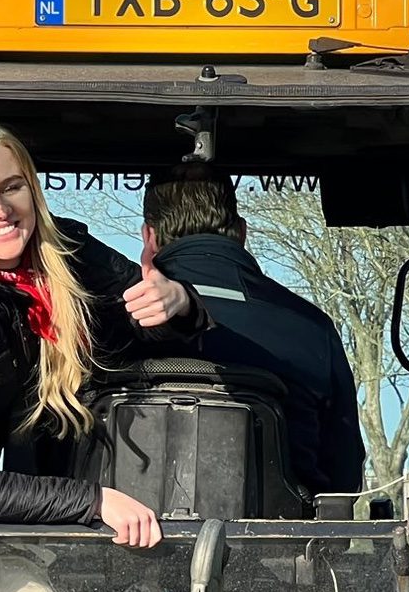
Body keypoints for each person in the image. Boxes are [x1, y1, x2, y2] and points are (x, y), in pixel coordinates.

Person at [0, 118, 208, 548]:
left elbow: (138, 333)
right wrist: (97, 501)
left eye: (11, 187)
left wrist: (178, 302)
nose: (0, 210)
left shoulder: (66, 254)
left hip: (14, 523)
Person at [140, 162, 366, 496]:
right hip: (286, 541)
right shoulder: (312, 328)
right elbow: (343, 476)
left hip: (115, 538)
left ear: (150, 237)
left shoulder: (105, 320)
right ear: (242, 232)